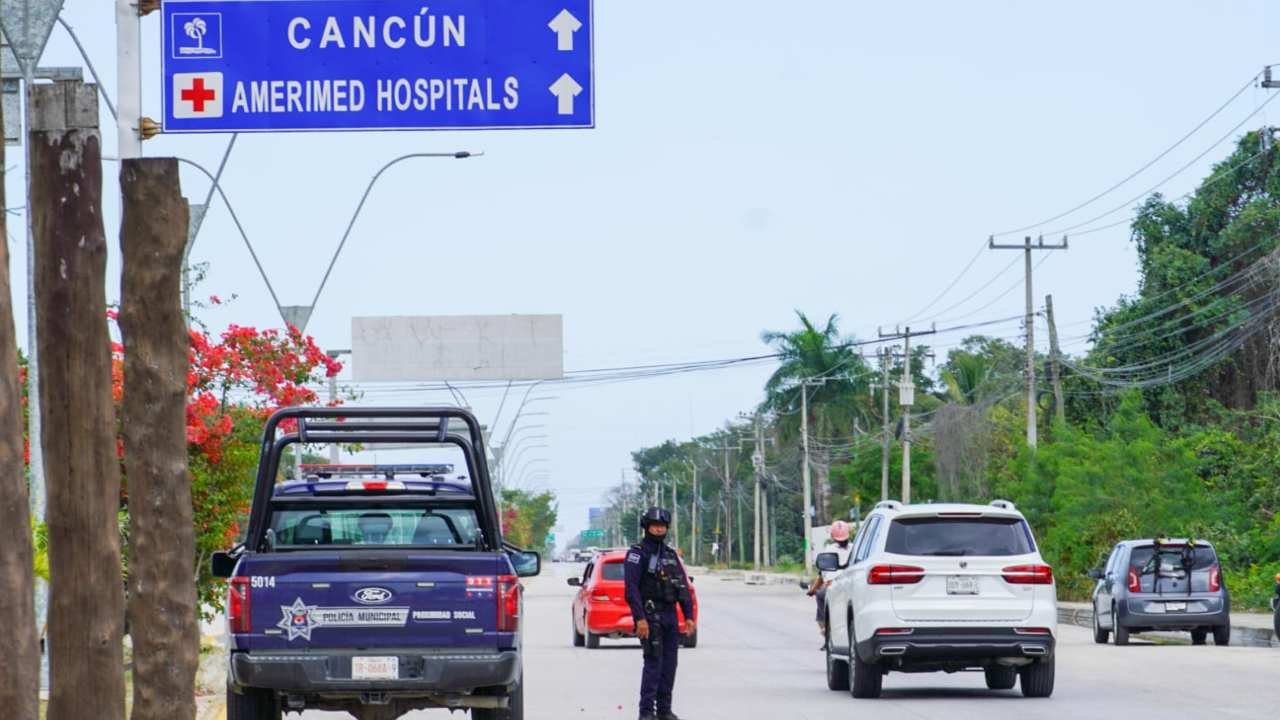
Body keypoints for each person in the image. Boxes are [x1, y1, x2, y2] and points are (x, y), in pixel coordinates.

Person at [624, 507, 696, 720]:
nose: (658, 529)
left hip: (670, 616)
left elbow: (682, 587)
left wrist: (689, 616)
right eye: (654, 526)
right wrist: (640, 619)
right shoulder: (637, 554)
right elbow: (631, 589)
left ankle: (664, 711)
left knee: (670, 665)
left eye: (662, 526)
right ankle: (646, 712)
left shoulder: (671, 555)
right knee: (653, 664)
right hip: (650, 616)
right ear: (646, 527)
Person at [807, 520, 853, 650]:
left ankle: (826, 631)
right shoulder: (855, 548)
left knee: (820, 595)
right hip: (852, 586)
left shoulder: (829, 550)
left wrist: (812, 590)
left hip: (833, 587)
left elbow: (821, 575)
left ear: (832, 536)